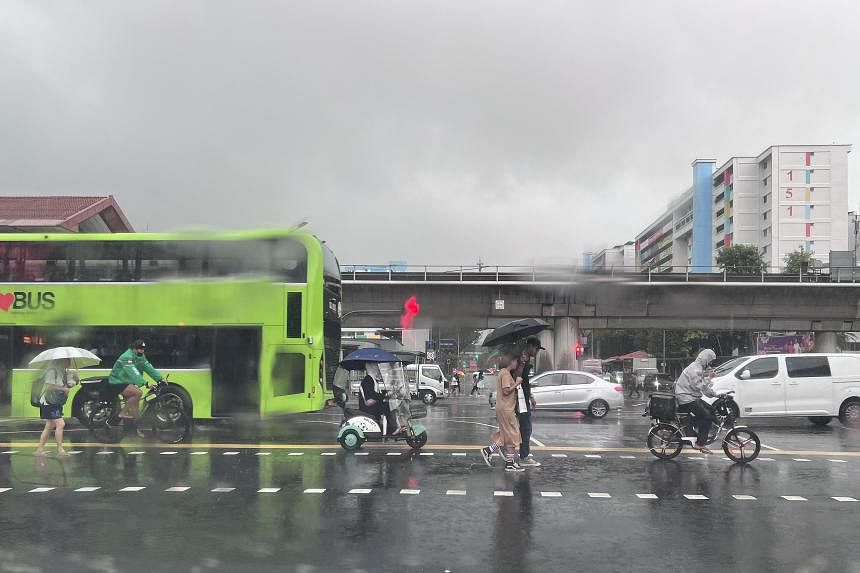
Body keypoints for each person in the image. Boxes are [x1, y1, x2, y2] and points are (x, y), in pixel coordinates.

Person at [108, 340, 165, 437]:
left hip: (127, 382)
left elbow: (147, 366)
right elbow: (133, 372)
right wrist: (145, 383)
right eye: (139, 349)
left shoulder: (140, 356)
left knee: (135, 409)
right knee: (138, 393)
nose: (141, 351)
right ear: (133, 348)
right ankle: (122, 413)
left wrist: (160, 379)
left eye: (142, 349)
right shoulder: (127, 357)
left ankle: (133, 430)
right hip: (117, 382)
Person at [480, 354, 524, 472]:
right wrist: (517, 383)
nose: (517, 363)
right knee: (513, 434)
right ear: (510, 361)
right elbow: (506, 391)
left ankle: (490, 451)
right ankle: (509, 463)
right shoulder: (505, 373)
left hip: (505, 408)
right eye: (515, 361)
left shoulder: (504, 373)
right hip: (506, 409)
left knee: (506, 434)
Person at [674, 349, 718, 454]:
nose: (711, 364)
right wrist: (711, 382)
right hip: (686, 399)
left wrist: (714, 392)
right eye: (710, 361)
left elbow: (702, 385)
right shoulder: (695, 369)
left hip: (691, 397)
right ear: (706, 359)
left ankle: (695, 431)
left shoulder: (699, 368)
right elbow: (699, 386)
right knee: (707, 418)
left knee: (711, 410)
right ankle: (700, 443)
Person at [35, 358, 77, 457]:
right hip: (49, 401)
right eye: (67, 360)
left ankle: (40, 449)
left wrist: (74, 378)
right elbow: (49, 386)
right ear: (61, 361)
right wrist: (63, 388)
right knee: (60, 424)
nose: (69, 363)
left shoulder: (63, 372)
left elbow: (68, 386)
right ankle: (60, 449)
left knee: (49, 426)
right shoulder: (52, 371)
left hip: (56, 402)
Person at [514, 337, 545, 468]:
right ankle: (524, 457)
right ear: (531, 347)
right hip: (518, 397)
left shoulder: (526, 358)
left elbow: (525, 381)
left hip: (523, 396)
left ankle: (520, 454)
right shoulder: (521, 358)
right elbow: (517, 378)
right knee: (526, 427)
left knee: (521, 427)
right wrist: (521, 363)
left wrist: (531, 396)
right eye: (537, 349)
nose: (537, 352)